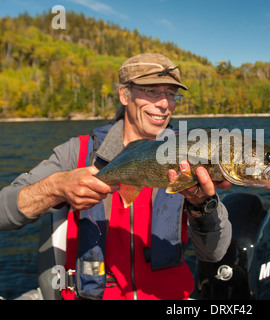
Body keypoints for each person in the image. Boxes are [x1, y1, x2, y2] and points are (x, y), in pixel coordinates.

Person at [0, 53, 233, 300]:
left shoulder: (193, 154)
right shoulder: (77, 152)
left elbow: (214, 253)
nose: (165, 104)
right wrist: (55, 187)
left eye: (171, 94)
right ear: (124, 95)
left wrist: (202, 206)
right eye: (152, 91)